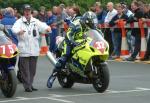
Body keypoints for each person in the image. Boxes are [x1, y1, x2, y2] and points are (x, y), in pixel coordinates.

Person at [47, 11, 97, 88]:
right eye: (90, 23)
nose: (92, 25)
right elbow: (68, 34)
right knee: (65, 56)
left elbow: (96, 31)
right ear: (86, 21)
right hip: (70, 41)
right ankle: (52, 76)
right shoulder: (75, 25)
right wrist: (73, 42)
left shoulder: (90, 24)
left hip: (82, 41)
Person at [12, 4, 51, 92]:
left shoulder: (35, 21)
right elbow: (14, 29)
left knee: (32, 70)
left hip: (34, 49)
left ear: (31, 12)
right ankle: (27, 86)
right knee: (25, 70)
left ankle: (30, 84)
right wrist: (19, 31)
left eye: (29, 11)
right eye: (26, 11)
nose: (27, 12)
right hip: (24, 49)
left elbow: (43, 26)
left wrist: (47, 28)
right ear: (23, 12)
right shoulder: (19, 21)